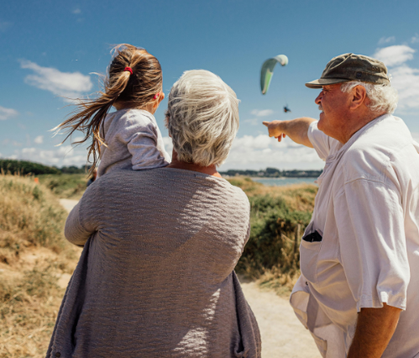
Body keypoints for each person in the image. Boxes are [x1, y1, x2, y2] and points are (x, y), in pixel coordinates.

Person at [47, 70, 261, 358]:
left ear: (169, 123)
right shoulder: (238, 204)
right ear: (229, 131)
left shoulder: (112, 189)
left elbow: (72, 234)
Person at [263, 53, 419, 358]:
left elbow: (383, 298)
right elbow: (308, 130)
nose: (317, 99)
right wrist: (281, 126)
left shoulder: (365, 161)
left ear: (357, 96)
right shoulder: (371, 135)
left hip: (398, 351)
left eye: (326, 91)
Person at [55, 43, 170, 178]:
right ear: (157, 98)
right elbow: (149, 167)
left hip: (108, 190)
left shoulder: (107, 121)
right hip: (129, 195)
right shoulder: (138, 120)